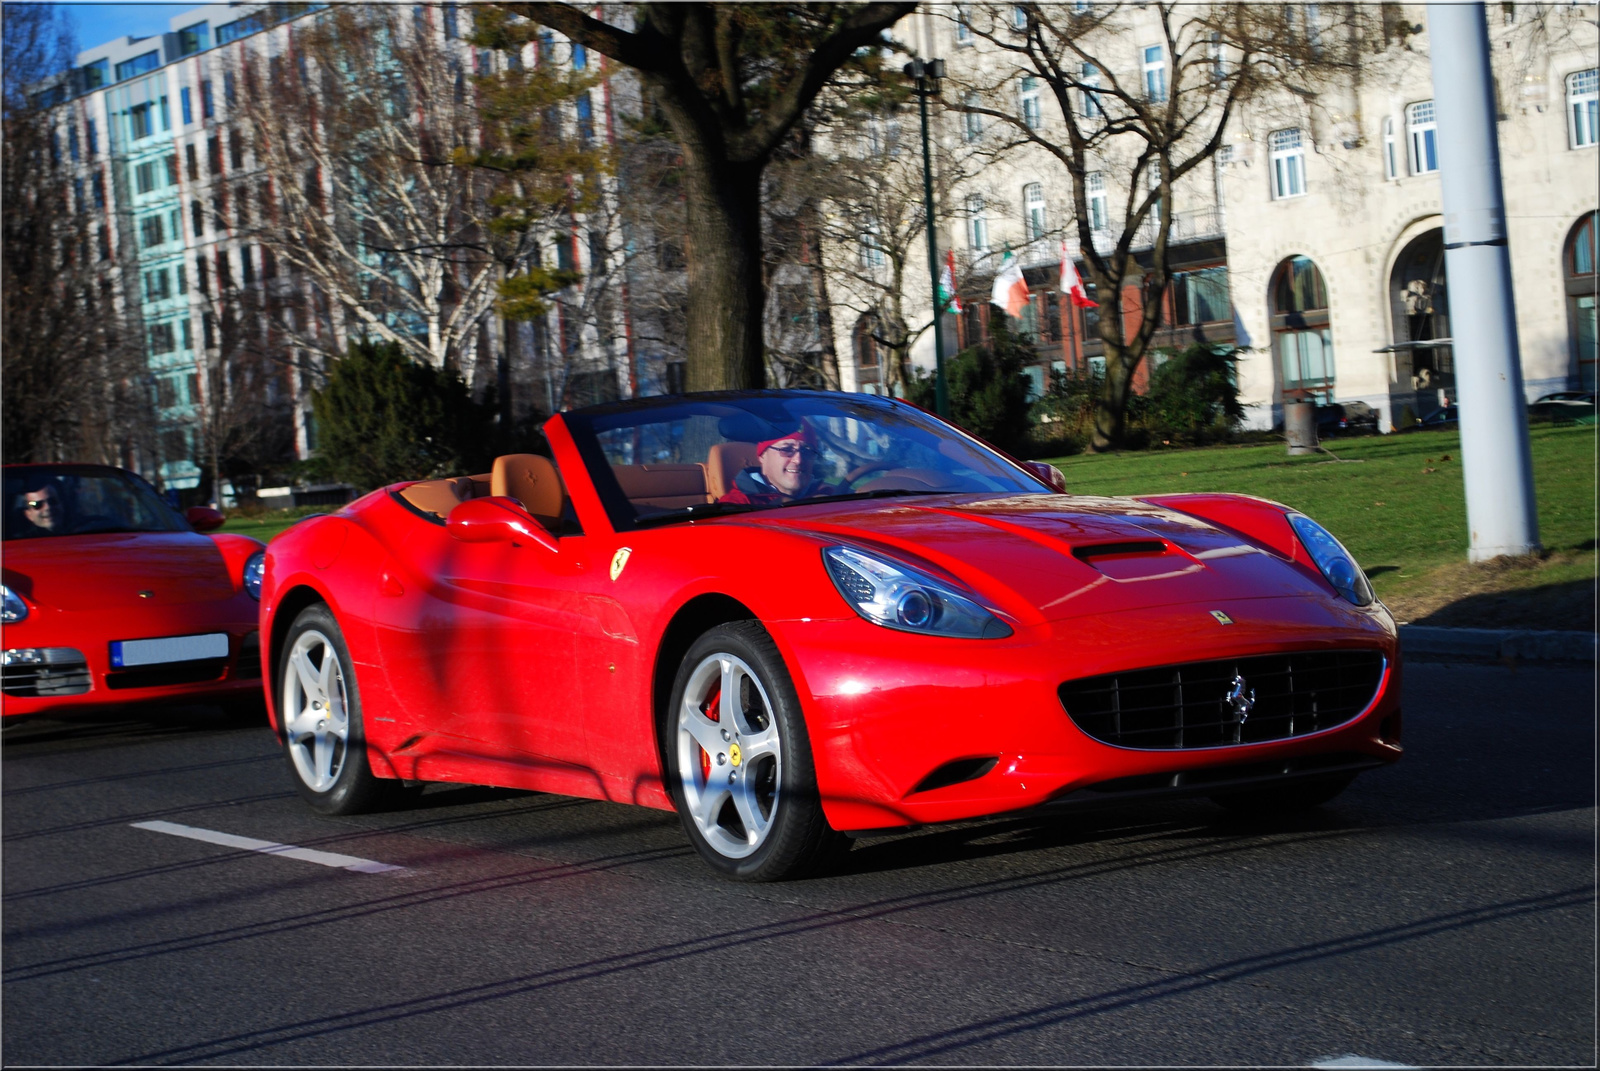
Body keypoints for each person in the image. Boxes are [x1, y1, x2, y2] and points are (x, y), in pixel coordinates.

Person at [718, 424, 835, 505]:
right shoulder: (737, 506)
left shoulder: (830, 497)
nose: (798, 460)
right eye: (787, 449)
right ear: (763, 456)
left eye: (807, 450)